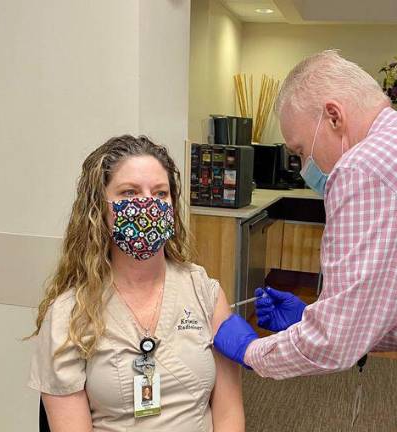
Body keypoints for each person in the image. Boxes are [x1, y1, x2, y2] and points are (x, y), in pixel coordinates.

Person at [28, 135, 244, 431]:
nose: (147, 205)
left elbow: (229, 414)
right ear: (98, 209)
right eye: (129, 193)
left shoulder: (203, 291)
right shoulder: (69, 315)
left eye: (160, 193)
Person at [214, 50, 397, 379]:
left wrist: (250, 351)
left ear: (334, 117)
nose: (304, 168)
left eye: (300, 151)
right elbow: (376, 308)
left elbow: (336, 342)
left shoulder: (362, 166)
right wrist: (313, 316)